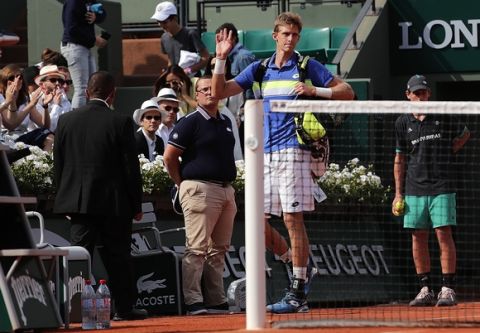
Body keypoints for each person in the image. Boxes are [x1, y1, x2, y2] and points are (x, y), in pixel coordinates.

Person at [212, 12, 354, 313]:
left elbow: (348, 92)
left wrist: (316, 90)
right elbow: (218, 92)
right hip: (263, 152)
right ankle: (297, 265)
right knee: (256, 222)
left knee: (292, 219)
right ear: (275, 36)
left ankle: (298, 291)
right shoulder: (259, 68)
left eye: (295, 35)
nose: (290, 40)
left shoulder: (306, 66)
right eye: (285, 34)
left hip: (294, 151)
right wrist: (221, 59)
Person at [53, 71, 147, 320]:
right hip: (113, 204)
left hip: (78, 204)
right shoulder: (121, 121)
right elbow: (130, 168)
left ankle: (72, 310)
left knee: (79, 256)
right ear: (112, 93)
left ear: (86, 93)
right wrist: (136, 204)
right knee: (118, 257)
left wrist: (64, 202)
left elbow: (58, 165)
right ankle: (124, 309)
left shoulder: (66, 120)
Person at [392, 74, 470, 307]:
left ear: (429, 94)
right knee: (418, 237)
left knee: (443, 234)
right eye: (416, 93)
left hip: (442, 186)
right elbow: (399, 159)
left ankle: (447, 288)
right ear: (408, 95)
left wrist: (449, 151)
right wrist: (398, 193)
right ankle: (425, 288)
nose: (421, 97)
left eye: (424, 92)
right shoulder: (402, 123)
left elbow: (465, 134)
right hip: (413, 188)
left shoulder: (443, 114)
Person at [163, 76, 237, 315]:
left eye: (211, 88)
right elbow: (169, 157)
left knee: (220, 249)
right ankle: (194, 300)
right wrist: (181, 183)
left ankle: (216, 299)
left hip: (226, 190)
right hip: (199, 189)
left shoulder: (226, 120)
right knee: (196, 249)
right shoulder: (190, 121)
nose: (208, 92)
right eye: (202, 90)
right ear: (196, 96)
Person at [61, 0, 108, 109]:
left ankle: (88, 117)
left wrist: (96, 17)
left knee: (92, 87)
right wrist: (94, 39)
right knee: (81, 89)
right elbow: (71, 29)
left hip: (85, 47)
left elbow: (102, 12)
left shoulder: (89, 1)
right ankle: (77, 122)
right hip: (74, 46)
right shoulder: (74, 2)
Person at [150, 1, 209, 76]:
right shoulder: (164, 38)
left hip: (192, 80)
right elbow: (170, 60)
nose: (161, 25)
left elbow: (206, 57)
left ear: (175, 18)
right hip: (175, 81)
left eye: (164, 22)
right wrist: (168, 73)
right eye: (158, 21)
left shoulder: (190, 34)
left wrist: (188, 70)